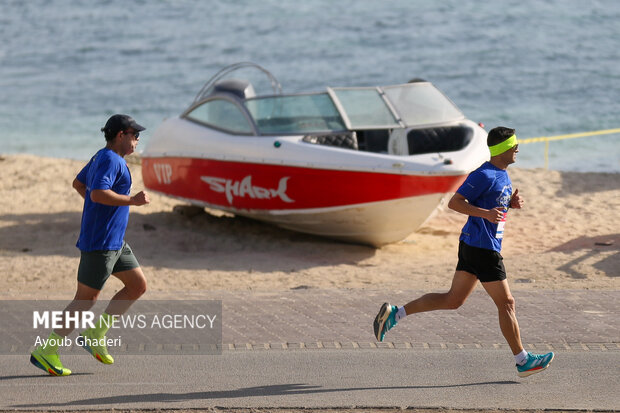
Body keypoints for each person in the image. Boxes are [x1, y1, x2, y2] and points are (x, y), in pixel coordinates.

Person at [373, 126, 554, 378]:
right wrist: (486, 214)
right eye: (514, 145)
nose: (518, 149)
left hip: (474, 244)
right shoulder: (484, 174)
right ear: (502, 148)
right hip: (483, 248)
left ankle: (395, 314)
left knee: (453, 300)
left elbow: (492, 206)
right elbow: (455, 202)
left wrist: (509, 204)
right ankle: (522, 360)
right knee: (507, 303)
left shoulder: (502, 174)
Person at [30, 114, 150, 376]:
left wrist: (99, 208)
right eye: (134, 134)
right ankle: (47, 351)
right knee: (85, 300)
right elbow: (96, 192)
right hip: (100, 243)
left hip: (115, 242)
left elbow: (78, 184)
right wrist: (132, 201)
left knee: (137, 285)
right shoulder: (109, 160)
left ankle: (96, 333)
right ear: (121, 134)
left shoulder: (102, 156)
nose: (138, 139)